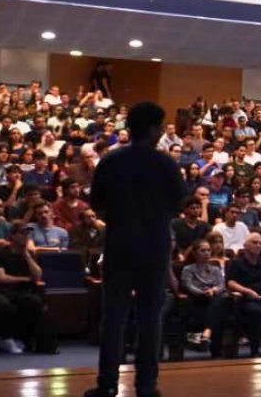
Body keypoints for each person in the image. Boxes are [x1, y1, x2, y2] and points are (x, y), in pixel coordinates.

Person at [87, 102, 188, 397]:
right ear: (155, 128)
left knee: (114, 317)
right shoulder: (165, 163)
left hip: (119, 244)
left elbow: (97, 204)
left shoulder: (111, 160)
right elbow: (181, 203)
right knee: (150, 318)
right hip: (154, 246)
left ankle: (106, 384)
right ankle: (146, 386)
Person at [0, 221, 54, 355]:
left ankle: (33, 339)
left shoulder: (28, 255)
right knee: (5, 305)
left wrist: (27, 255)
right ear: (12, 236)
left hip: (19, 290)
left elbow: (37, 276)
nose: (26, 236)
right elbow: (2, 278)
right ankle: (5, 338)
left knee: (36, 302)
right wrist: (25, 279)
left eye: (28, 233)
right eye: (22, 233)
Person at [178, 239, 228, 358]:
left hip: (212, 299)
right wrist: (202, 292)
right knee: (218, 304)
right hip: (196, 299)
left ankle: (207, 332)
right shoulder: (188, 269)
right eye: (203, 251)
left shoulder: (215, 269)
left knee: (219, 300)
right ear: (195, 253)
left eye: (208, 250)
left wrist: (213, 290)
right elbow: (188, 285)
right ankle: (207, 332)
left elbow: (222, 284)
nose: (206, 253)